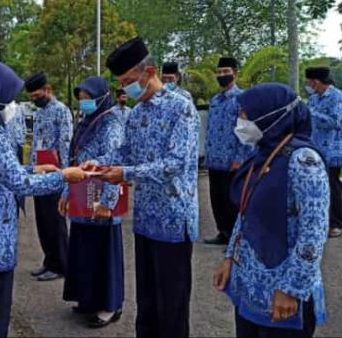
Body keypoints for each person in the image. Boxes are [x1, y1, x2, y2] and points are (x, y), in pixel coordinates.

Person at [0, 59, 85, 338]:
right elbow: (18, 183)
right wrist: (63, 176)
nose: (13, 102)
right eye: (9, 96)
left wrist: (34, 168)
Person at [99, 37, 199, 338]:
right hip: (144, 221)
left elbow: (175, 164)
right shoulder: (137, 112)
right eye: (121, 83)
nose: (126, 89)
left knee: (172, 307)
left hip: (172, 220)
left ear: (149, 71)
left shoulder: (180, 108)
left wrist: (125, 172)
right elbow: (125, 152)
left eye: (129, 81)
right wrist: (96, 165)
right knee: (147, 304)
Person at [213, 83, 330, 338]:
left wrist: (292, 289)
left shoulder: (304, 161)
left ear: (269, 116)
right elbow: (246, 212)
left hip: (283, 294)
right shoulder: (265, 153)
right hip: (252, 286)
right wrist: (230, 257)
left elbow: (314, 233)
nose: (240, 120)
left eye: (245, 114)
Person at [60, 77, 125, 328]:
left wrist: (108, 202)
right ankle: (88, 299)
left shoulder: (111, 123)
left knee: (103, 252)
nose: (83, 102)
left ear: (102, 96)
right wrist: (66, 193)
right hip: (81, 193)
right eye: (81, 98)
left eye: (88, 97)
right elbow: (73, 159)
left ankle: (110, 305)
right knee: (84, 249)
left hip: (101, 195)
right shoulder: (87, 122)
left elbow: (114, 162)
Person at [25, 70, 74, 281]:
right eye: (32, 98)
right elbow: (36, 143)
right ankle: (49, 261)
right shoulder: (40, 113)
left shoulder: (61, 111)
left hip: (55, 174)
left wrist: (64, 176)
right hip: (39, 175)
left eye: (37, 96)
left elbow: (65, 145)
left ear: (47, 90)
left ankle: (61, 265)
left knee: (56, 223)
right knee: (43, 222)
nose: (36, 100)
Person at [204, 57, 254, 246]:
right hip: (215, 159)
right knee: (217, 199)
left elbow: (247, 131)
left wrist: (241, 157)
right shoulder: (215, 101)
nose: (222, 76)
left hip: (233, 160)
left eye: (226, 72)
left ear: (235, 73)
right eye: (219, 72)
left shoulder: (243, 99)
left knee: (232, 199)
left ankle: (236, 234)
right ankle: (223, 232)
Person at [305, 66, 342, 237]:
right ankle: (323, 221)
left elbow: (336, 122)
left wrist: (312, 114)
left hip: (333, 150)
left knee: (333, 186)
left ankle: (336, 224)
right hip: (315, 149)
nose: (308, 85)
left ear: (317, 82)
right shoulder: (313, 99)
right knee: (320, 186)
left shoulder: (337, 97)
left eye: (309, 82)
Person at [5, 98, 27, 163]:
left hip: (21, 141)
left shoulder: (20, 108)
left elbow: (24, 123)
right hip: (10, 142)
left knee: (25, 162)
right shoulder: (2, 110)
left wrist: (24, 135)